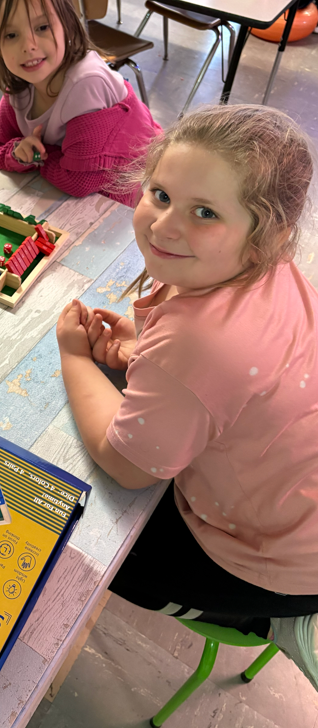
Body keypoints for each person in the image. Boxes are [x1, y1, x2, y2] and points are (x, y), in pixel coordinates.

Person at [56, 105, 318, 689]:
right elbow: (219, 379)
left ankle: (263, 618)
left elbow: (126, 466)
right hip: (299, 506)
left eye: (205, 212)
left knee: (81, 547)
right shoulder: (269, 269)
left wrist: (75, 357)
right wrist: (141, 347)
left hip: (279, 564)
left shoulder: (200, 342)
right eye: (161, 194)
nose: (165, 226)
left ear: (267, 234)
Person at [0, 0, 161, 207]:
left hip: (136, 197)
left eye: (42, 27)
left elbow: (78, 181)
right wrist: (17, 153)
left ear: (67, 26)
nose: (28, 45)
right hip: (83, 197)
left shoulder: (86, 82)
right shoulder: (21, 86)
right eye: (11, 35)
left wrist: (38, 155)